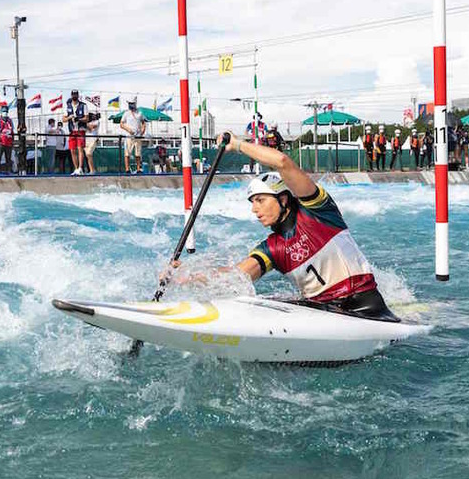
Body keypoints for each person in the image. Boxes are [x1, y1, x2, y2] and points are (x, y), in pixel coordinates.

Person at [172, 133, 398, 321]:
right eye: (252, 203)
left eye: (260, 200)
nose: (255, 209)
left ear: (283, 199)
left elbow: (282, 162)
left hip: (366, 309)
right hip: (322, 315)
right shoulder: (272, 247)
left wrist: (238, 144)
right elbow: (236, 277)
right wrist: (187, 276)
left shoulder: (318, 210)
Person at [119, 99, 147, 173]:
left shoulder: (140, 113)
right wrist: (128, 129)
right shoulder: (126, 113)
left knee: (138, 153)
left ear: (135, 103)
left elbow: (143, 123)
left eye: (131, 103)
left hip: (138, 136)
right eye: (129, 103)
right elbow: (121, 124)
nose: (130, 105)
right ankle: (127, 169)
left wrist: (143, 131)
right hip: (129, 136)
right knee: (127, 153)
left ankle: (138, 169)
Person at [65, 89, 88, 175]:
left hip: (80, 130)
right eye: (73, 94)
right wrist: (69, 117)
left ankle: (80, 168)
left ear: (78, 95)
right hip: (72, 131)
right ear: (71, 95)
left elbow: (87, 118)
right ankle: (76, 168)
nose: (74, 96)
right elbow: (63, 119)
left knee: (80, 149)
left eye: (76, 94)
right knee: (72, 150)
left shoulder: (83, 105)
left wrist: (79, 119)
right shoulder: (68, 106)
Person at [0, 105, 15, 174]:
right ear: (1, 112)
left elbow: (12, 131)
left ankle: (9, 171)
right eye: (3, 111)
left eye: (6, 111)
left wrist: (13, 141)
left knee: (8, 158)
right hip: (0, 141)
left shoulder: (10, 120)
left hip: (8, 142)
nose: (5, 113)